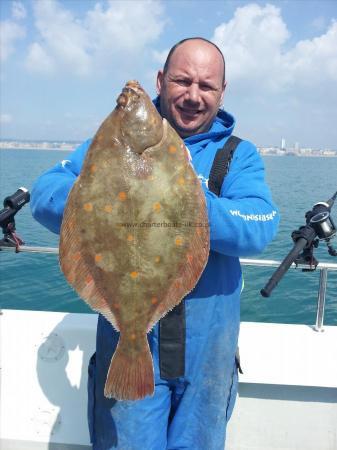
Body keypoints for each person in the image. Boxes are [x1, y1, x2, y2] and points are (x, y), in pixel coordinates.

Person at [31, 37, 279, 450]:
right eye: (182, 81)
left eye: (206, 86)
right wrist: (103, 195)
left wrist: (182, 204)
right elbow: (44, 196)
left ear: (222, 92)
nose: (193, 96)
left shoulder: (237, 155)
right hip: (130, 341)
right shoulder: (111, 146)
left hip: (208, 354)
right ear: (161, 81)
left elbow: (260, 226)